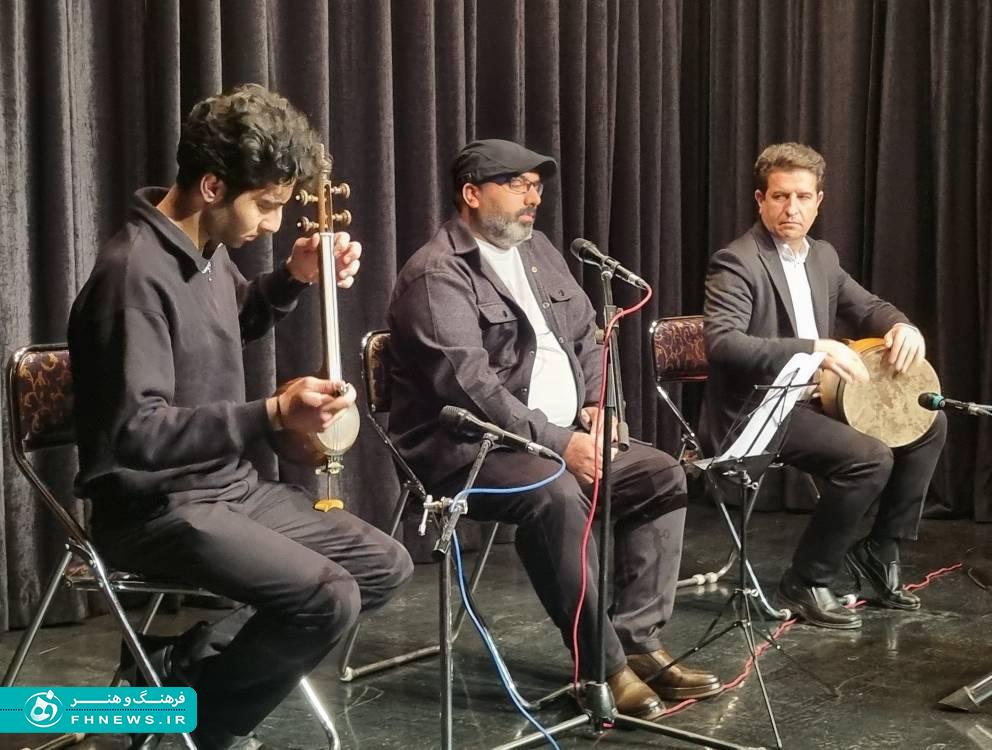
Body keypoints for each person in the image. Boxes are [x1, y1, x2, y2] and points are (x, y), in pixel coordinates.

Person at [68, 84, 413, 750]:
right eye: (267, 204)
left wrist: (292, 277)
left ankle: (172, 674)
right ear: (211, 186)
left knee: (383, 566)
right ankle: (200, 727)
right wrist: (273, 413)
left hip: (226, 488)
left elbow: (235, 321)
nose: (274, 223)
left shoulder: (203, 251)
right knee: (327, 598)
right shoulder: (131, 276)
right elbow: (136, 433)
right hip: (155, 509)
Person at [386, 139, 722, 721]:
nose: (533, 197)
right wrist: (561, 442)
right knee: (555, 494)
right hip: (465, 449)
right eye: (517, 185)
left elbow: (587, 333)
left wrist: (599, 402)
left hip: (559, 435)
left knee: (660, 473)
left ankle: (638, 640)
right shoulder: (436, 274)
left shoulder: (538, 250)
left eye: (536, 186)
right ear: (471, 194)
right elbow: (470, 388)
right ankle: (602, 666)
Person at [701, 141, 947, 630]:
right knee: (869, 458)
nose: (791, 208)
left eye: (802, 197)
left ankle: (881, 549)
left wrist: (904, 326)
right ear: (761, 199)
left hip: (815, 401)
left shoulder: (823, 257)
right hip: (760, 408)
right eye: (780, 196)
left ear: (819, 201)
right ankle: (807, 580)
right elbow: (723, 344)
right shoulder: (737, 260)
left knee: (928, 421)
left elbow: (869, 307)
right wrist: (813, 348)